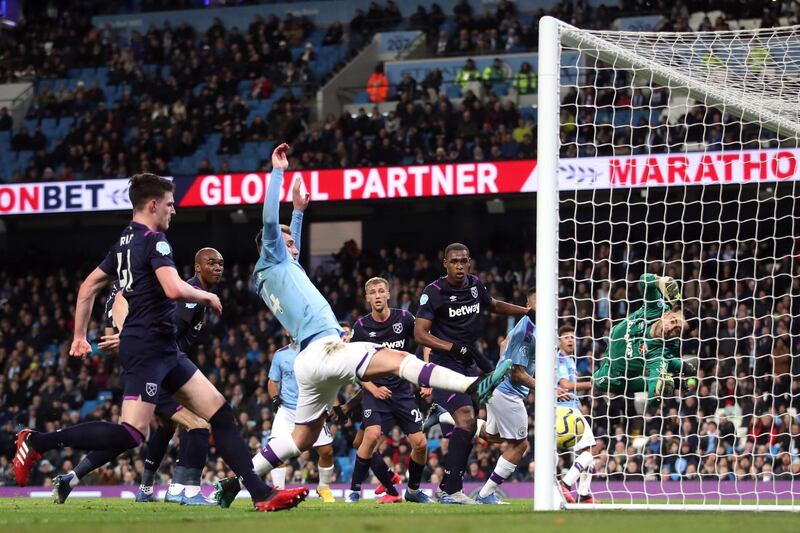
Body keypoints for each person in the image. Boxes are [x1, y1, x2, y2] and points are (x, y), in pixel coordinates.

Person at [211, 144, 512, 508]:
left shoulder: (274, 273)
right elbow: (271, 224)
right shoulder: (272, 254)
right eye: (287, 243)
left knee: (301, 439)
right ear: (272, 247)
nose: (293, 246)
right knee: (395, 358)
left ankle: (234, 481)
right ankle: (472, 383)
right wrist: (278, 173)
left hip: (310, 362)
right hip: (325, 349)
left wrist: (300, 213)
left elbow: (292, 241)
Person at [13, 173, 306, 513]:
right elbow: (173, 288)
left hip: (165, 348)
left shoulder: (122, 241)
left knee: (220, 413)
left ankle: (261, 494)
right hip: (147, 348)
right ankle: (38, 441)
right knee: (132, 433)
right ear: (153, 205)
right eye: (169, 204)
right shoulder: (156, 241)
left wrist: (80, 336)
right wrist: (205, 295)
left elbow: (88, 287)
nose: (173, 211)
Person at [52, 248, 224, 506]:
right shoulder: (180, 294)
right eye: (212, 263)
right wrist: (128, 339)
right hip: (158, 369)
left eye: (221, 263)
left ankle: (73, 479)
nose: (219, 267)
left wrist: (125, 338)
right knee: (197, 423)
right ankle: (181, 489)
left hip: (150, 366)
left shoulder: (136, 287)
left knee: (143, 432)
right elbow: (166, 332)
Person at [414, 242, 532, 504]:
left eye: (464, 261)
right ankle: (450, 491)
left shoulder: (475, 285)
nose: (459, 266)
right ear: (445, 263)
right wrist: (451, 347)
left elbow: (492, 305)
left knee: (475, 429)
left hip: (470, 360)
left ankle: (443, 422)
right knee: (467, 420)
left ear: (469, 262)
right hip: (443, 364)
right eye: (454, 261)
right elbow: (420, 333)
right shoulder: (433, 292)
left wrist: (527, 312)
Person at [347, 277, 434, 504]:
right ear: (367, 298)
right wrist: (373, 389)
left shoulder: (404, 319)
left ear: (388, 294)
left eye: (381, 291)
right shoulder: (361, 327)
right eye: (372, 292)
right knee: (371, 435)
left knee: (421, 444)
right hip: (375, 391)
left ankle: (413, 491)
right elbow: (353, 366)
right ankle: (354, 491)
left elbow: (424, 340)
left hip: (403, 391)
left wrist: (425, 375)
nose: (377, 295)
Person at [592, 273, 694, 406]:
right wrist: (659, 281)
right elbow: (644, 280)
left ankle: (674, 379)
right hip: (611, 342)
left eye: (677, 330)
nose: (670, 329)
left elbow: (652, 399)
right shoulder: (657, 308)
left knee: (597, 383)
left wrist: (657, 392)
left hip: (615, 372)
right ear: (666, 313)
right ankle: (681, 368)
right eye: (672, 321)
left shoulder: (660, 353)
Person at [555, 325, 602, 504]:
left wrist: (580, 404)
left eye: (572, 337)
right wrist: (594, 384)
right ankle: (565, 484)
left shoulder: (569, 360)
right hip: (565, 412)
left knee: (587, 450)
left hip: (570, 408)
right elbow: (566, 385)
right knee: (591, 449)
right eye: (566, 337)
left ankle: (584, 493)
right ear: (559, 341)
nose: (570, 340)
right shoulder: (560, 359)